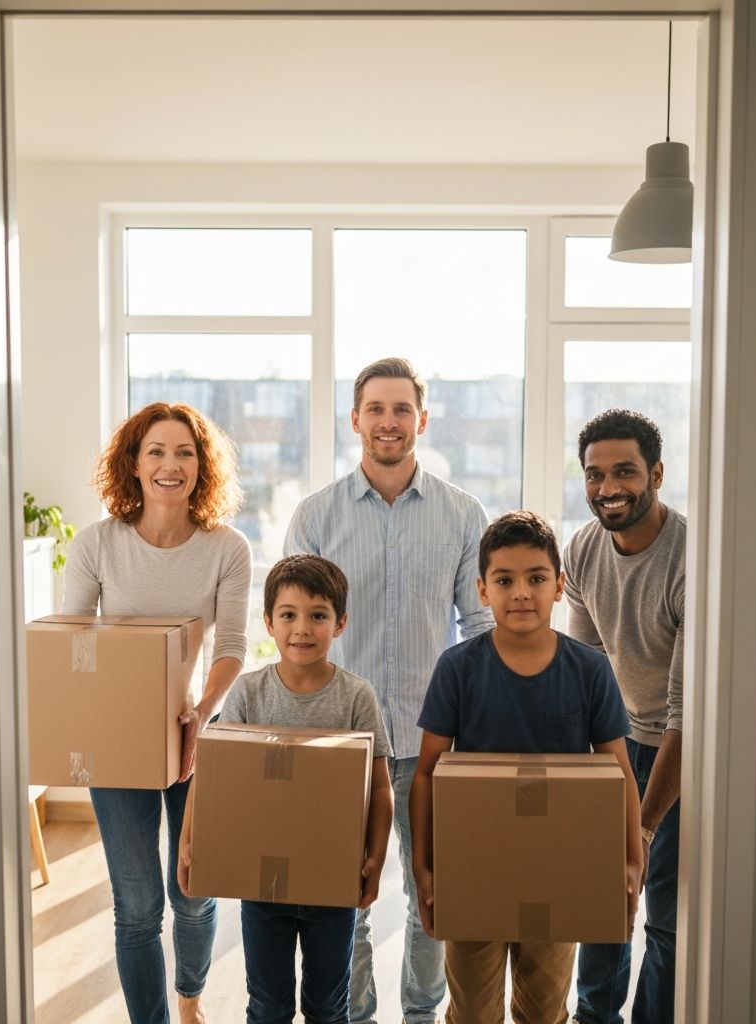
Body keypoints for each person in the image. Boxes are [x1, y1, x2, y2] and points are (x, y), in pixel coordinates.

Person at [284, 356, 494, 1024]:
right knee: (348, 895)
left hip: (434, 739)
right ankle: (358, 1015)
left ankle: (421, 1014)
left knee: (433, 894)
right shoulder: (316, 516)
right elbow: (295, 632)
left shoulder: (464, 514)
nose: (389, 421)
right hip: (340, 742)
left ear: (422, 420)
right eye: (376, 408)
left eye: (402, 409)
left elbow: (480, 624)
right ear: (355, 419)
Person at [409, 510, 643, 1024]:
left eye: (536, 578)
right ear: (481, 589)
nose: (520, 592)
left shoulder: (589, 669)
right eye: (504, 580)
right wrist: (424, 867)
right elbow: (427, 772)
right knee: (472, 1011)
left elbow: (618, 771)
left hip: (557, 870)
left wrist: (631, 857)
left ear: (559, 586)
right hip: (473, 866)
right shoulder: (458, 667)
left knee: (543, 1011)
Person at [62, 402, 252, 1024]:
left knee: (192, 892)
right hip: (118, 740)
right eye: (156, 452)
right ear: (134, 464)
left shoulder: (227, 547)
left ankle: (190, 997)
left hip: (197, 729)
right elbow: (71, 646)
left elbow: (231, 647)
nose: (171, 465)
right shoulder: (97, 544)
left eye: (185, 453)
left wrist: (200, 712)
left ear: (203, 466)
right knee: (139, 904)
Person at [177, 554, 394, 1024]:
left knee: (327, 1008)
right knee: (269, 1007)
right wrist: (189, 842)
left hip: (332, 888)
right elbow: (212, 775)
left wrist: (375, 858)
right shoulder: (249, 694)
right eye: (289, 615)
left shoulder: (357, 697)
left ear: (340, 624)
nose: (302, 628)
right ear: (269, 623)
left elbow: (379, 789)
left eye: (318, 615)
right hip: (263, 889)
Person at [562, 409, 686, 1024]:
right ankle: (594, 1017)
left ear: (656, 473)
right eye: (594, 474)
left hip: (687, 752)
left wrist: (640, 829)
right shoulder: (582, 549)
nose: (608, 488)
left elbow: (685, 717)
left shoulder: (692, 561)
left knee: (663, 911)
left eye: (625, 472)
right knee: (603, 899)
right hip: (620, 742)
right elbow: (588, 679)